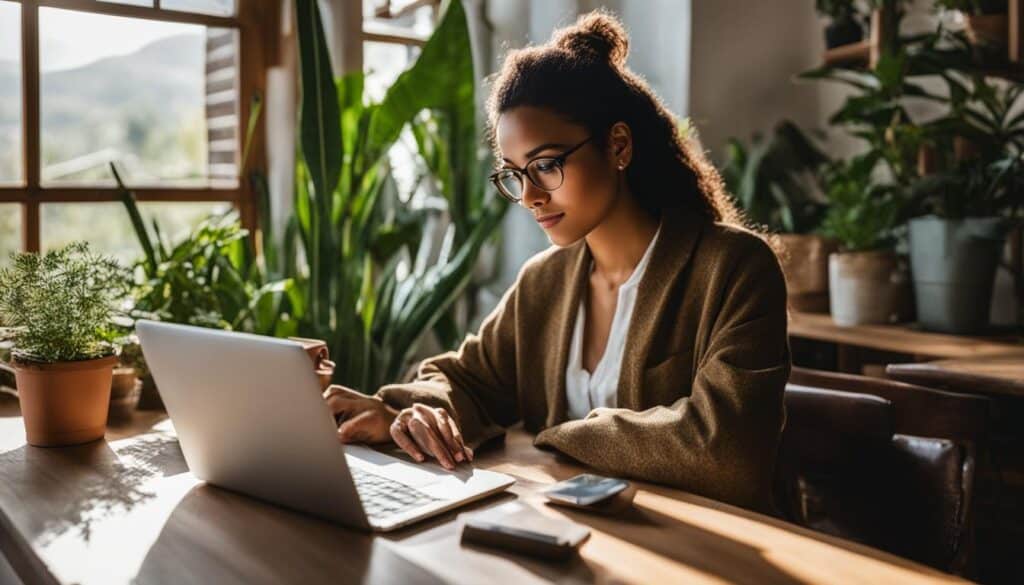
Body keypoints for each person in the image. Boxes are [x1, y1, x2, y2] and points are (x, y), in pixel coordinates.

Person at [323, 9, 790, 512]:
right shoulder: (544, 281)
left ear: (618, 146)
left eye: (546, 165)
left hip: (720, 546)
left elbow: (728, 453)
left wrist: (557, 436)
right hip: (580, 531)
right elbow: (468, 381)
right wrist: (400, 408)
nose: (529, 196)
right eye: (514, 174)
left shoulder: (734, 268)